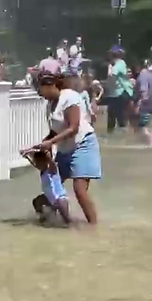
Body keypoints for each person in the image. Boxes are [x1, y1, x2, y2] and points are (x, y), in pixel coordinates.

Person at [33, 73, 100, 225]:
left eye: (39, 89)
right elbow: (55, 131)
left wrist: (51, 143)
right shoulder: (50, 105)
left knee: (79, 190)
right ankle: (49, 215)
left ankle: (94, 228)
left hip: (82, 144)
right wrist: (41, 144)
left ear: (49, 86)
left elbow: (74, 128)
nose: (38, 93)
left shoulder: (69, 97)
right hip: (65, 148)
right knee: (53, 187)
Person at [22, 148, 71, 225]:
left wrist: (48, 156)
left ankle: (75, 229)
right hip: (49, 198)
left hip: (60, 199)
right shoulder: (43, 170)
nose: (37, 165)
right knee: (36, 202)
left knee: (67, 221)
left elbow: (52, 163)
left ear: (45, 162)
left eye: (39, 163)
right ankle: (43, 218)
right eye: (36, 162)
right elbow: (35, 165)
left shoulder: (52, 170)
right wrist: (27, 157)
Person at [105, 48, 134, 133]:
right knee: (112, 119)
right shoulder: (117, 64)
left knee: (120, 119)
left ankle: (122, 139)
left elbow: (112, 75)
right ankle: (113, 138)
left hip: (120, 94)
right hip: (114, 94)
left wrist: (109, 67)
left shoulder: (120, 63)